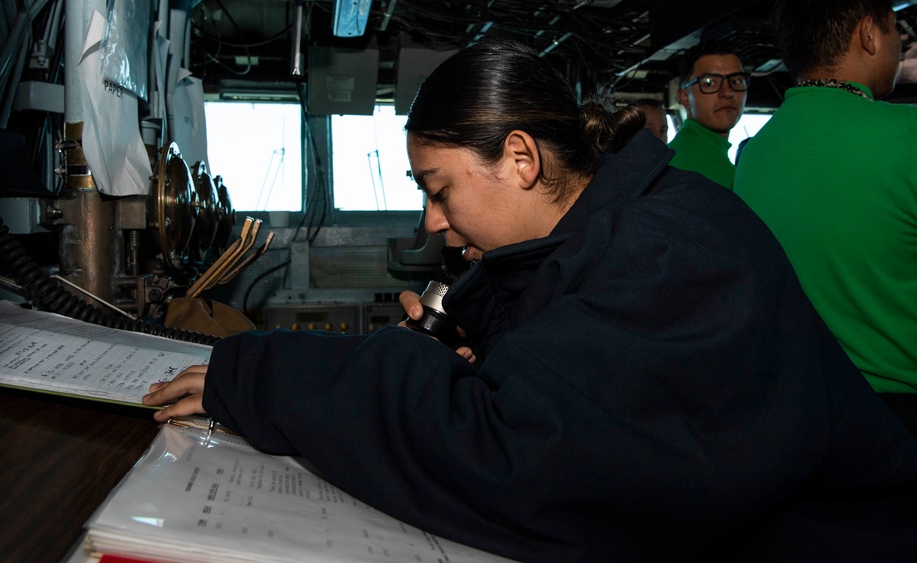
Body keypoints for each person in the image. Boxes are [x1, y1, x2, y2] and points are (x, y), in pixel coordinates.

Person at [145, 39, 917, 562]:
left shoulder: (672, 252)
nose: (434, 225)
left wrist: (261, 378)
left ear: (519, 158)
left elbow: (514, 458)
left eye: (440, 190)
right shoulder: (596, 238)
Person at [734, 0, 917, 434]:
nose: (900, 42)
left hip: (797, 417)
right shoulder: (907, 136)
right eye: (895, 30)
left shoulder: (754, 153)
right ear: (869, 34)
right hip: (899, 421)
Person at [668, 39, 749, 188]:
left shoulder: (680, 152)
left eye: (736, 81)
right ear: (684, 97)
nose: (727, 92)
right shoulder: (696, 166)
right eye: (709, 83)